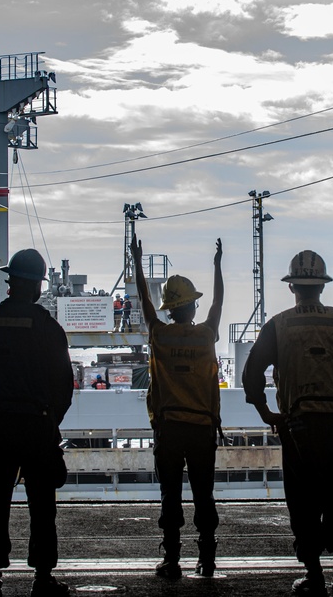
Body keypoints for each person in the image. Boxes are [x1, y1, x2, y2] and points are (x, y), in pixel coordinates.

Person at [242, 250, 333, 597]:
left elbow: (252, 374)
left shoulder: (279, 325)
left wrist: (267, 414)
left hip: (297, 426)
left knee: (303, 500)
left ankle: (314, 575)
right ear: (322, 287)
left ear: (293, 286)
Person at [0, 249, 74, 597]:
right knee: (42, 504)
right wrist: (49, 421)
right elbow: (63, 384)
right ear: (38, 286)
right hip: (37, 423)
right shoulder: (48, 326)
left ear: (10, 281)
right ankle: (43, 579)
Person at [131, 230, 223, 579]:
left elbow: (145, 302)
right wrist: (217, 266)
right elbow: (218, 304)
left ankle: (171, 561)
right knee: (204, 494)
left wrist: (138, 263)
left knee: (170, 495)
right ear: (193, 307)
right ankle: (208, 560)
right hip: (201, 428)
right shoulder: (205, 335)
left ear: (170, 309)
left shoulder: (160, 335)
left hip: (169, 429)